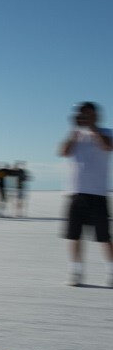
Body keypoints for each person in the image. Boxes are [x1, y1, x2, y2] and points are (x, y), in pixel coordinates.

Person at [58, 101, 113, 287]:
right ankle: (76, 272)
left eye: (88, 114)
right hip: (75, 193)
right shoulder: (75, 136)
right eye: (82, 114)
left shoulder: (105, 133)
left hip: (97, 194)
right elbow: (63, 152)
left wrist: (93, 127)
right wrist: (73, 131)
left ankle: (111, 272)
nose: (84, 117)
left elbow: (108, 146)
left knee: (104, 237)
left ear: (96, 115)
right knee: (74, 236)